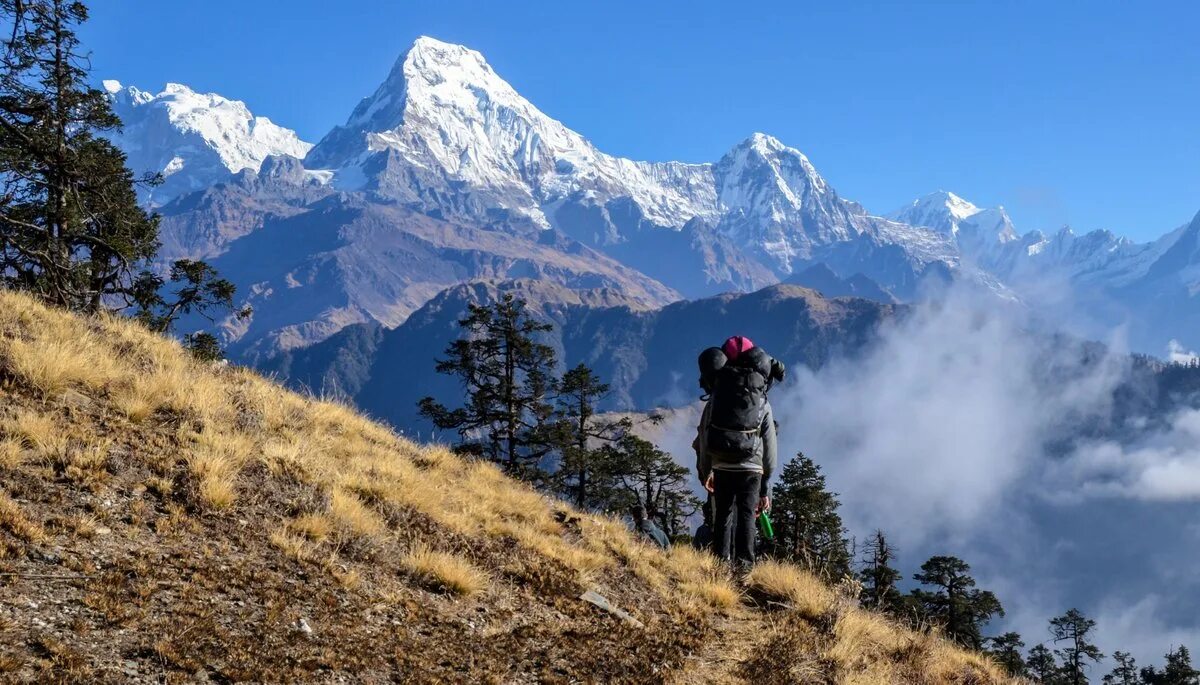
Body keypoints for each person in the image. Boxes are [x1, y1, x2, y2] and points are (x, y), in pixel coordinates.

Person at [693, 335, 780, 571]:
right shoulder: (762, 401)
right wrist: (766, 484)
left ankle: (721, 565)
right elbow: (770, 447)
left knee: (722, 516)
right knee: (747, 516)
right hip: (752, 468)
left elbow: (704, 436)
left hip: (722, 466)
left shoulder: (716, 398)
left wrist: (706, 471)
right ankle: (744, 568)